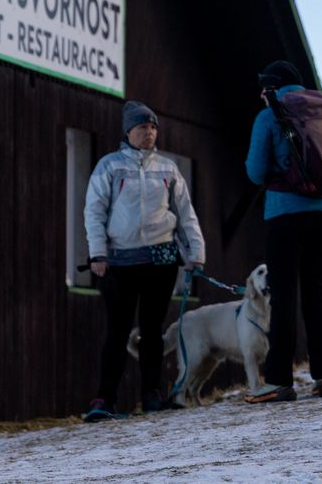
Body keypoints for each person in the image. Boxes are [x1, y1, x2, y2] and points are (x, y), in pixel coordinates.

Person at [83, 101, 205, 422]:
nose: (149, 133)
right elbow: (94, 211)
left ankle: (152, 395)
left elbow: (186, 213)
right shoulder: (109, 166)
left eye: (152, 128)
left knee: (153, 331)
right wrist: (98, 253)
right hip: (119, 262)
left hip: (161, 260)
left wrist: (196, 254)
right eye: (142, 128)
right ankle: (104, 399)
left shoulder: (168, 168)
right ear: (127, 132)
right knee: (117, 330)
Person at [244, 60, 322, 402]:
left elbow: (255, 172)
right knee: (316, 290)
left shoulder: (270, 115)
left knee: (284, 293)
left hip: (286, 212)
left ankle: (280, 379)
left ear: (271, 87)